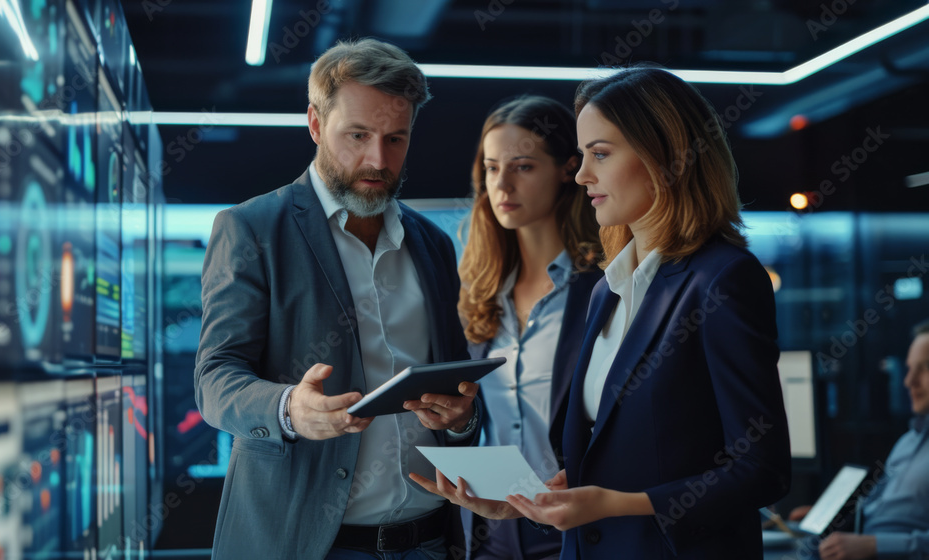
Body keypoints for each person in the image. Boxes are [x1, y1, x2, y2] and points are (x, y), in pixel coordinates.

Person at [413, 67, 792, 559]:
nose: (582, 174)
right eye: (584, 155)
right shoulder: (608, 291)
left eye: (600, 154)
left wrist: (617, 504)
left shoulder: (722, 279)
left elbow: (761, 469)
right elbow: (617, 459)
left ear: (664, 157)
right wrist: (533, 504)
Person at [195, 38, 481, 560]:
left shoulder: (433, 244)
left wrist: (462, 418)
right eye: (358, 135)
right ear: (314, 124)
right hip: (306, 544)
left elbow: (455, 385)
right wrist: (289, 410)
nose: (378, 159)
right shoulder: (251, 229)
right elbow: (215, 378)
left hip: (432, 539)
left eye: (396, 139)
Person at [455, 95, 602, 559]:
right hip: (494, 532)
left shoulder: (604, 288)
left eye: (522, 167)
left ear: (567, 168)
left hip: (578, 527)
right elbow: (480, 421)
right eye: (492, 168)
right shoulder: (480, 294)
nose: (502, 184)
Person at [791, 319, 929, 560]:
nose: (909, 382)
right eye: (909, 369)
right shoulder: (909, 440)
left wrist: (875, 546)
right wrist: (829, 515)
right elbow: (878, 508)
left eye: (924, 368)